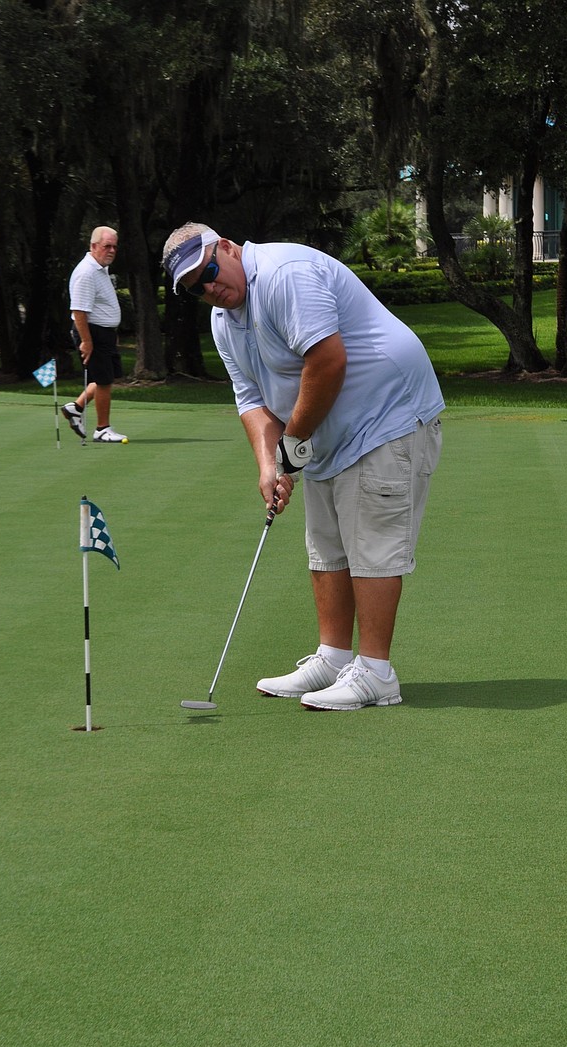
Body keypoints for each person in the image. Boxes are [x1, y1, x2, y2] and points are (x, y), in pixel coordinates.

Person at [162, 222, 444, 711]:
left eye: (208, 270)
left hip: (386, 414)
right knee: (327, 542)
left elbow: (328, 361)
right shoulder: (224, 321)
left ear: (228, 248)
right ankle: (334, 659)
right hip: (325, 431)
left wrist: (291, 445)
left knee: (372, 545)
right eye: (195, 288)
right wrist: (270, 465)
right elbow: (250, 398)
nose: (208, 287)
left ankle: (377, 673)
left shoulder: (282, 274)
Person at [62, 226, 127, 443]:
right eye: (106, 246)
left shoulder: (100, 268)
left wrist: (111, 330)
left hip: (103, 333)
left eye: (114, 247)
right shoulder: (87, 272)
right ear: (93, 246)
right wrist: (87, 342)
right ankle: (102, 429)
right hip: (92, 333)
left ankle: (76, 407)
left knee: (104, 378)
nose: (111, 250)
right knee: (104, 381)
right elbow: (79, 310)